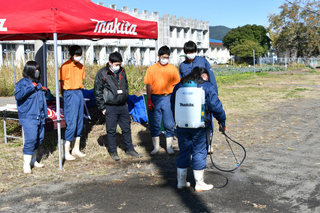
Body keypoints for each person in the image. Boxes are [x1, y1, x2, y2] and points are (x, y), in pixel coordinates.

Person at [171, 67, 226, 192]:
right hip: (200, 126)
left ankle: (181, 182)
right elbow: (215, 106)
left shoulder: (179, 86)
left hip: (181, 125)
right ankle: (199, 184)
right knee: (199, 151)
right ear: (202, 75)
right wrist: (222, 120)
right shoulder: (206, 86)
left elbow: (172, 104)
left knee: (184, 150)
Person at [94, 51, 142, 161]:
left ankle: (130, 149)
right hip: (110, 106)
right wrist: (102, 107)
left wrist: (126, 100)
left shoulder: (122, 71)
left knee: (126, 128)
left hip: (123, 105)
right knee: (111, 130)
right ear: (110, 63)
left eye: (119, 64)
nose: (118, 67)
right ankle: (113, 151)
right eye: (116, 64)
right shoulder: (102, 73)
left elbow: (126, 86)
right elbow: (98, 91)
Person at [144, 45, 181, 155]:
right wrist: (149, 100)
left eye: (167, 57)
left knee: (169, 123)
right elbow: (149, 86)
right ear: (158, 56)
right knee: (154, 123)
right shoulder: (151, 69)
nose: (165, 59)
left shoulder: (173, 69)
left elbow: (176, 85)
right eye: (163, 57)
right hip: (155, 98)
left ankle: (169, 147)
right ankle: (156, 147)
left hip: (168, 98)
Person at [14, 61, 48, 174]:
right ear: (29, 70)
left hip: (40, 116)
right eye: (35, 70)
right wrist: (30, 86)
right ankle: (26, 164)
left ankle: (34, 160)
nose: (37, 72)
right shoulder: (22, 83)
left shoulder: (37, 83)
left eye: (38, 70)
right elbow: (18, 95)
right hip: (29, 117)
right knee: (31, 139)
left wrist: (46, 92)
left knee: (39, 138)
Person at [59, 45, 86, 161]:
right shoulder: (65, 66)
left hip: (79, 92)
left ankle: (76, 148)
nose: (78, 57)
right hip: (69, 93)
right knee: (71, 121)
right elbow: (60, 83)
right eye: (76, 55)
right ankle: (66, 151)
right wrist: (64, 95)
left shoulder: (81, 66)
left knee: (80, 120)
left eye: (80, 55)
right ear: (71, 55)